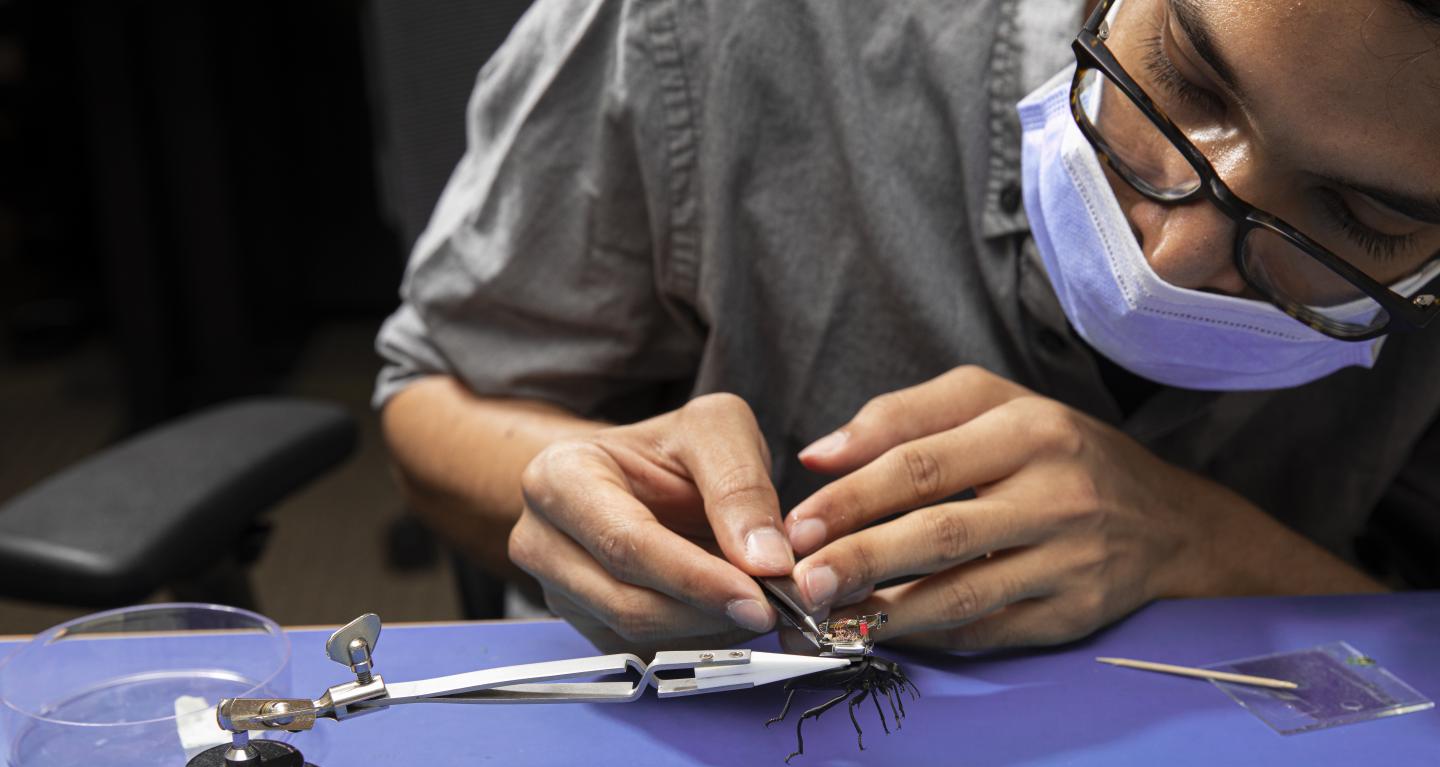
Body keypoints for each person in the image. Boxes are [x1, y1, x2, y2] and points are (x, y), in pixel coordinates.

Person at [375, 0, 1440, 654]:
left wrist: (1197, 542)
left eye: (1362, 216)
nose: (1171, 257)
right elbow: (429, 398)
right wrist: (592, 504)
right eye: (1185, 79)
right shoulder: (719, 27)